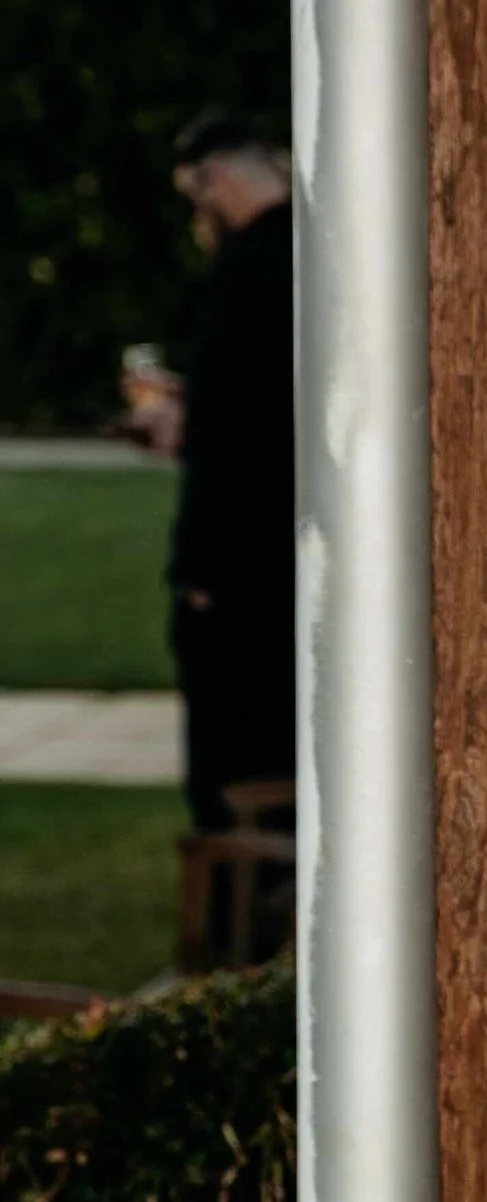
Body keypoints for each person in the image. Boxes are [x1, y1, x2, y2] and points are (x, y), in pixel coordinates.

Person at [136, 113, 295, 833]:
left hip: (238, 571)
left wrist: (202, 573)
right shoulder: (315, 254)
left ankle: (237, 925)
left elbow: (236, 437)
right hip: (289, 551)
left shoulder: (243, 272)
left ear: (219, 180)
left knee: (232, 758)